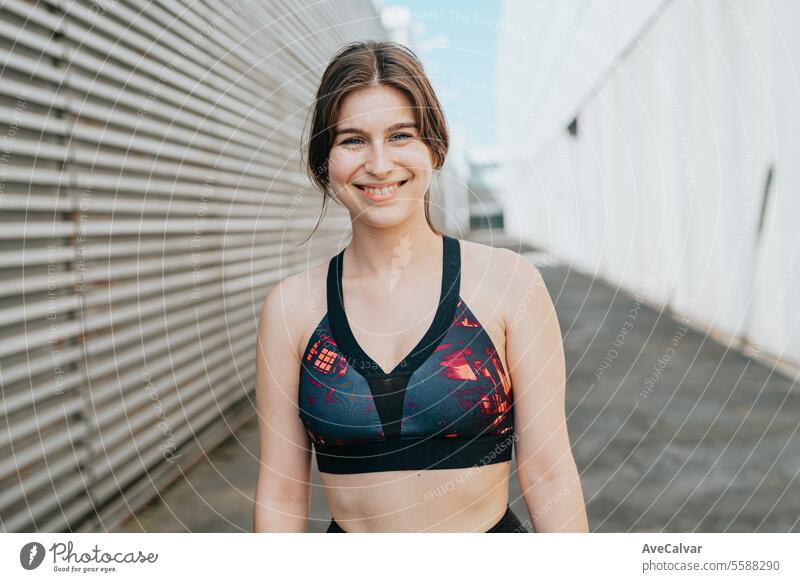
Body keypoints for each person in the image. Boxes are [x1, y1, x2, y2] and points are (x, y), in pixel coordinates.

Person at [253, 40, 588, 533]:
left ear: (434, 147)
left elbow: (548, 471)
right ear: (325, 162)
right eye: (352, 140)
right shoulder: (291, 310)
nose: (380, 163)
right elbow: (281, 494)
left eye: (400, 135)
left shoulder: (509, 285)